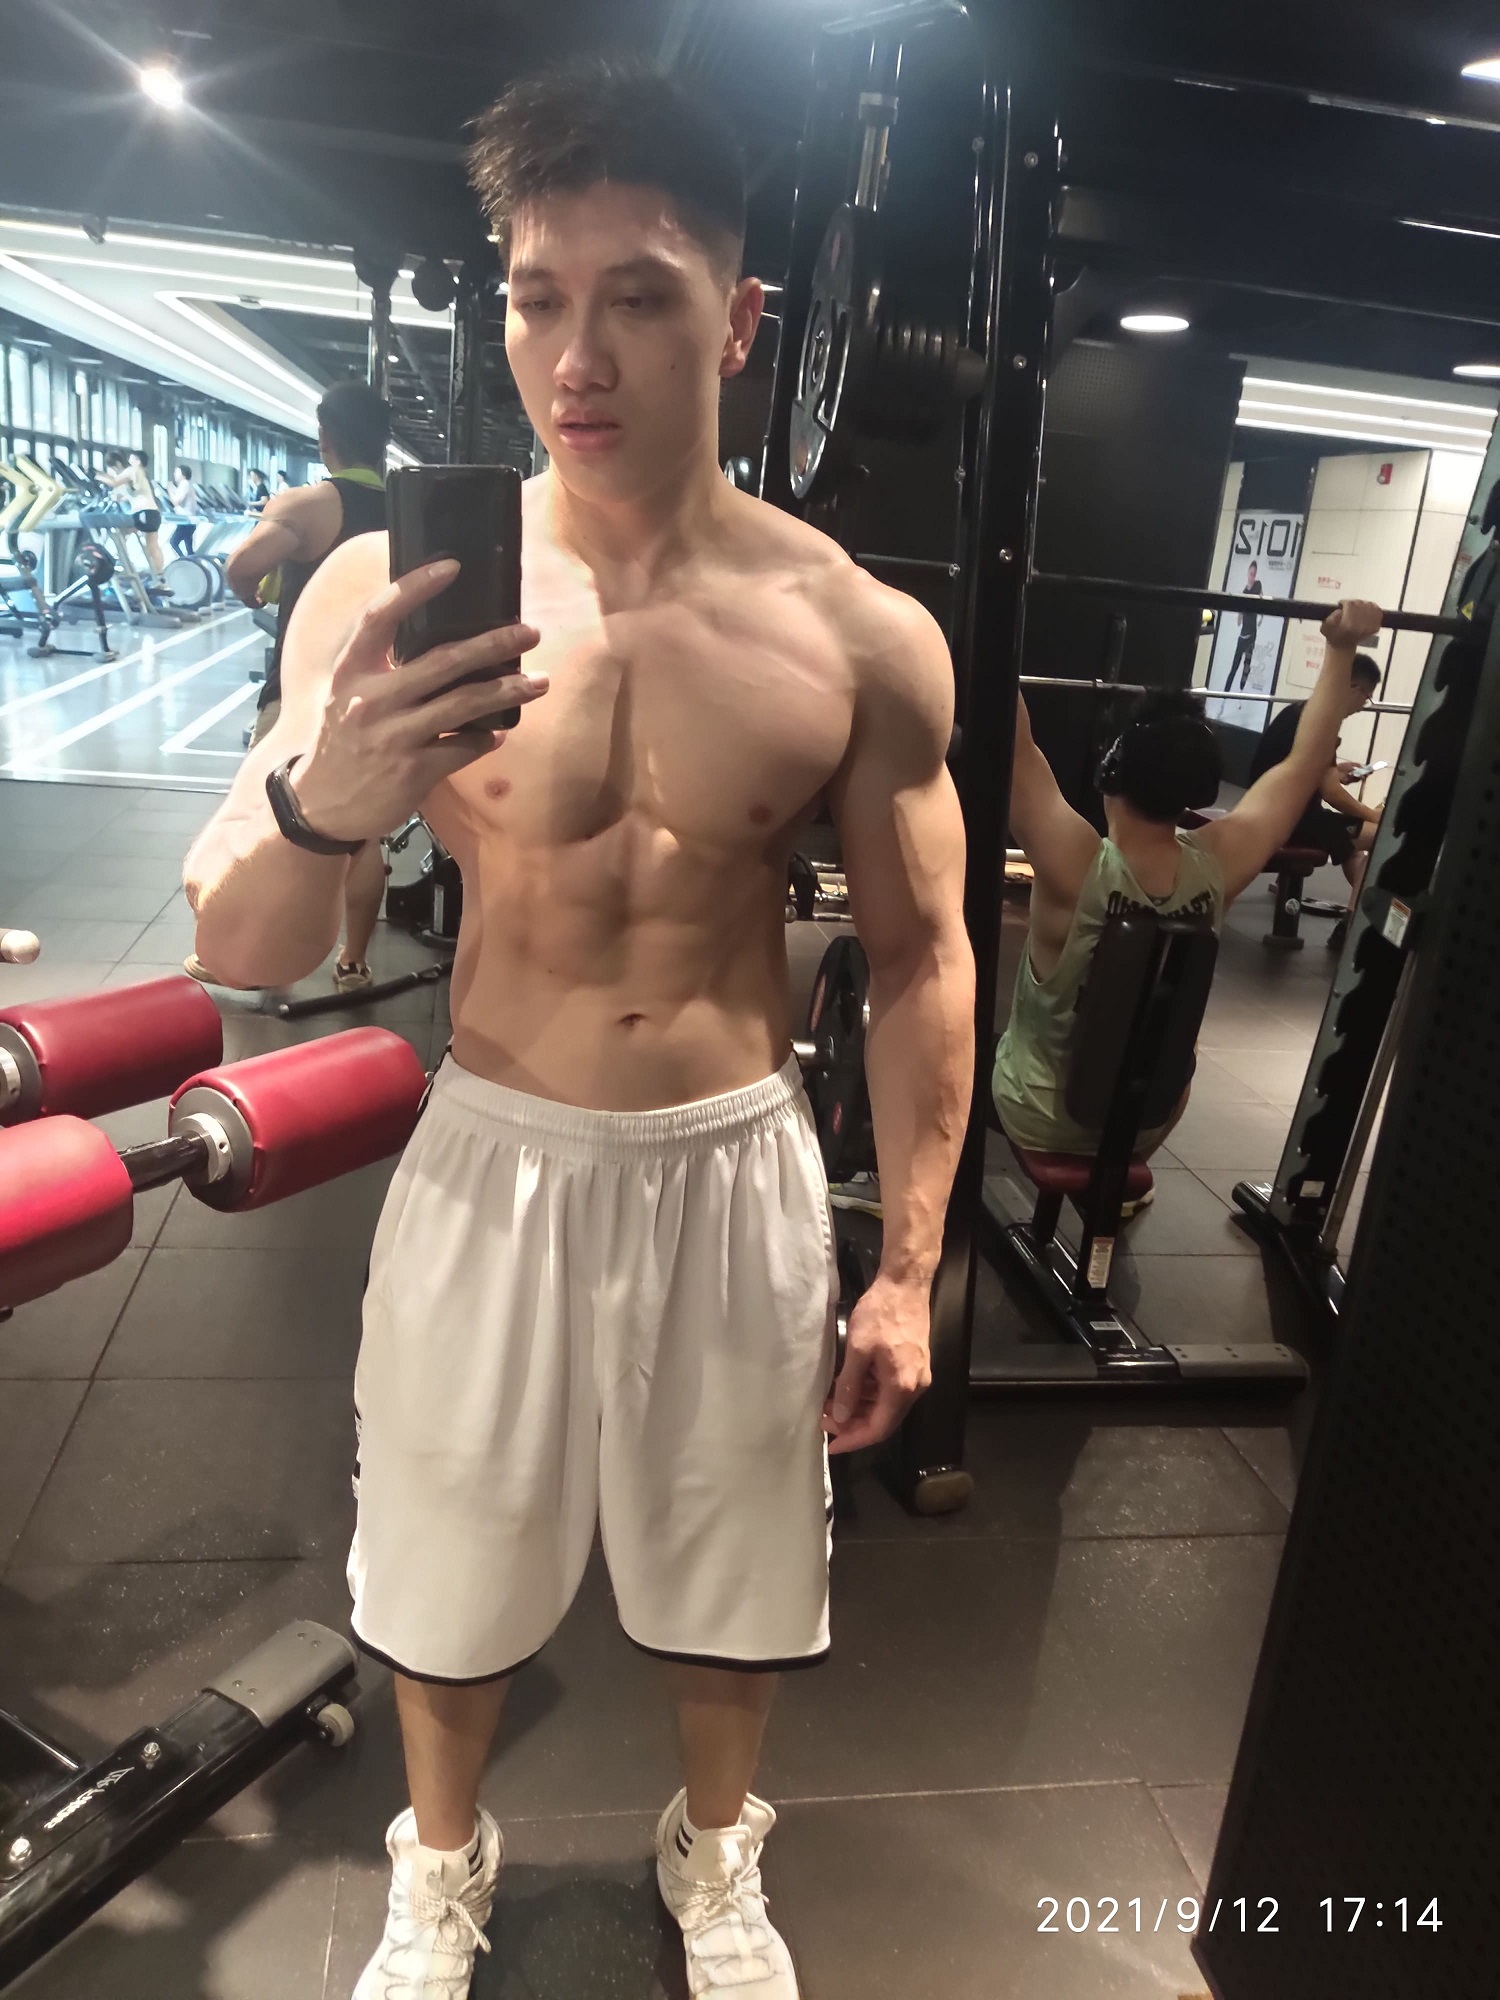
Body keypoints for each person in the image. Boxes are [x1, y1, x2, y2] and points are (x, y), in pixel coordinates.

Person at [183, 56, 973, 2000]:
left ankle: (715, 1856)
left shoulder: (855, 631)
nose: (578, 355)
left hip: (735, 1155)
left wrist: (912, 1268)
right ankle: (439, 1869)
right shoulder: (387, 591)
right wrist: (326, 802)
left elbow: (925, 957)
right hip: (499, 1146)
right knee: (442, 1553)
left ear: (741, 319)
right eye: (538, 298)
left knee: (737, 1555)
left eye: (639, 296)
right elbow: (241, 946)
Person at [994, 600, 1384, 1164]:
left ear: (1111, 773)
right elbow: (1305, 765)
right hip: (1146, 1126)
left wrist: (996, 594)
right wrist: (1341, 648)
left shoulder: (1074, 863)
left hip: (1039, 1116)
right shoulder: (1219, 865)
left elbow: (1013, 743)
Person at [197, 382, 393, 995]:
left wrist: (251, 594)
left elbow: (242, 566)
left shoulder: (312, 503)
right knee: (364, 832)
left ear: (326, 437)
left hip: (303, 691)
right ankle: (353, 962)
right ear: (383, 442)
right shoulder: (408, 509)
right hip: (381, 690)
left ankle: (242, 957)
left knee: (264, 819)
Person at [1244, 650, 1384, 946]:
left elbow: (1309, 772)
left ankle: (1352, 922)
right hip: (1290, 820)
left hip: (1270, 809)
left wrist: (1338, 771)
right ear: (1353, 689)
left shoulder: (1301, 713)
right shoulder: (1323, 723)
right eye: (1366, 698)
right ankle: (1352, 926)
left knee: (1353, 850)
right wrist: (1373, 816)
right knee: (1379, 836)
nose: (1363, 707)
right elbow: (1331, 794)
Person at [102, 448, 166, 578]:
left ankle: (125, 566)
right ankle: (160, 576)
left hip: (143, 513)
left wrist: (97, 475)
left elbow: (113, 482)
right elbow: (133, 493)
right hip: (153, 513)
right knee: (153, 547)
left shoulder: (131, 470)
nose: (129, 460)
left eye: (112, 468)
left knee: (120, 534)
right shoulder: (140, 473)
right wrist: (121, 497)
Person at [1226, 558, 1264, 692]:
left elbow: (1262, 599)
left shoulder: (1257, 585)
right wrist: (1239, 614)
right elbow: (1239, 619)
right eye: (1251, 573)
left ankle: (1241, 690)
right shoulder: (1244, 592)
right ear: (1248, 573)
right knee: (1234, 666)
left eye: (1254, 574)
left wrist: (1261, 617)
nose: (1252, 576)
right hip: (1243, 635)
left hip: (1252, 634)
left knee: (1246, 665)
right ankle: (1225, 693)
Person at [168, 462, 200, 557]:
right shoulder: (185, 485)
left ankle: (182, 559)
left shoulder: (184, 484)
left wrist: (170, 490)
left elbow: (176, 501)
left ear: (183, 474)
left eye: (177, 472)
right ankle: (187, 560)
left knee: (174, 542)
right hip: (187, 520)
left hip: (186, 520)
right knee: (189, 548)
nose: (175, 474)